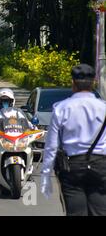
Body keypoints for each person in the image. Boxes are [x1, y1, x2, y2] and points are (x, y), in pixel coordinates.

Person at [40, 64, 106, 216]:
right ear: (93, 83)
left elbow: (51, 146)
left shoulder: (61, 108)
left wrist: (46, 174)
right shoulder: (103, 107)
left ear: (73, 83)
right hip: (101, 164)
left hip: (72, 166)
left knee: (76, 212)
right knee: (101, 211)